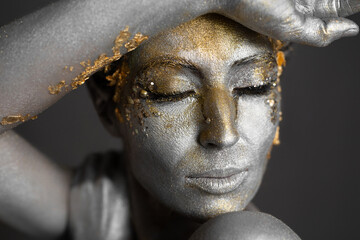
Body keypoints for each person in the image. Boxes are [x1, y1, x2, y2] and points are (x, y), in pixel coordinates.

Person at [0, 0, 359, 239]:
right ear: (108, 104)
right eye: (172, 92)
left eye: (254, 85)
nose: (223, 132)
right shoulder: (104, 211)